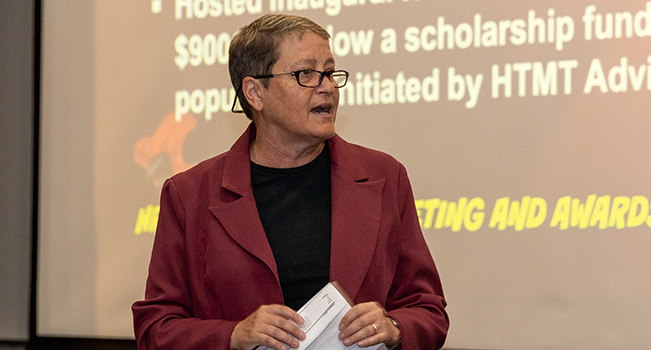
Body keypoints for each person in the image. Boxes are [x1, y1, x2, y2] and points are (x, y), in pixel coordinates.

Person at [132, 13, 448, 350]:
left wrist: (394, 328)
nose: (327, 86)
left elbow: (428, 310)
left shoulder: (385, 177)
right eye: (306, 74)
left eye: (329, 72)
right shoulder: (190, 195)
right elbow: (156, 328)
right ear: (255, 92)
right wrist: (234, 335)